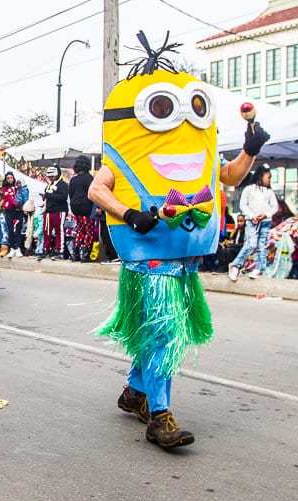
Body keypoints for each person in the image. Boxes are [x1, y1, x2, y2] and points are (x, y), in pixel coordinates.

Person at [88, 32, 269, 448]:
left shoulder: (200, 153)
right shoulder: (127, 153)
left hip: (183, 259)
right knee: (164, 333)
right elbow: (99, 190)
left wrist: (250, 151)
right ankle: (160, 416)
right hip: (149, 260)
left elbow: (229, 178)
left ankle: (135, 393)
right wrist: (131, 213)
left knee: (160, 329)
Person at [228, 164, 278, 281]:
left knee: (262, 246)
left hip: (265, 222)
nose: (269, 180)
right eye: (268, 177)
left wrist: (265, 215)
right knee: (251, 244)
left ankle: (260, 269)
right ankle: (235, 265)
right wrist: (252, 216)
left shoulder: (269, 192)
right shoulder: (248, 190)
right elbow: (243, 205)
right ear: (260, 176)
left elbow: (274, 207)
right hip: (252, 222)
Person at [68, 155, 98, 262]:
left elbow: (70, 194)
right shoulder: (89, 179)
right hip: (86, 206)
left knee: (80, 229)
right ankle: (85, 253)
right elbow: (93, 193)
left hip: (75, 206)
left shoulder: (73, 179)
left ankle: (75, 251)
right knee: (88, 230)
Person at [43, 165, 69, 259]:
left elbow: (63, 197)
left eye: (52, 176)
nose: (50, 178)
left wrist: (48, 195)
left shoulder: (63, 185)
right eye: (49, 176)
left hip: (59, 211)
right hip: (48, 211)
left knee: (59, 231)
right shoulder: (49, 185)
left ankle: (60, 250)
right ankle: (47, 249)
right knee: (47, 231)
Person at [1, 172, 24, 258]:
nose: (10, 179)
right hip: (9, 211)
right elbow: (9, 199)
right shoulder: (5, 189)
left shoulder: (18, 187)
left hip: (18, 211)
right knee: (10, 230)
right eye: (8, 178)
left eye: (11, 178)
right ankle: (12, 248)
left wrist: (21, 206)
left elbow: (22, 196)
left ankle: (18, 248)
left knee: (18, 230)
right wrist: (17, 204)